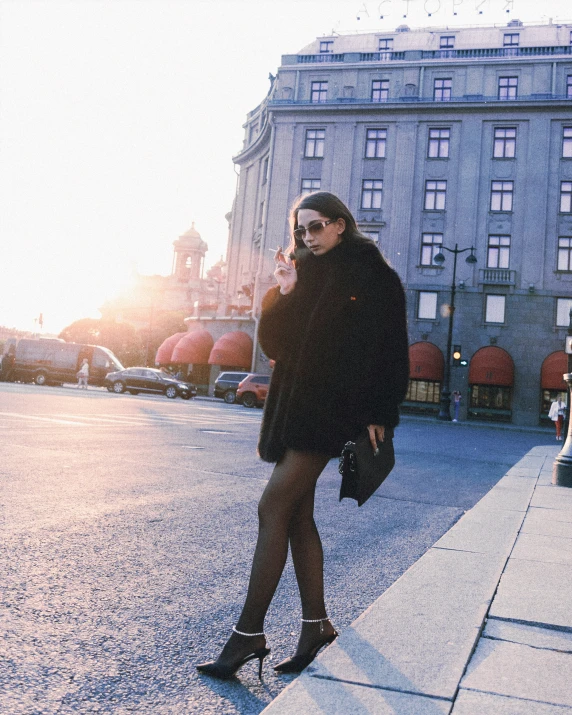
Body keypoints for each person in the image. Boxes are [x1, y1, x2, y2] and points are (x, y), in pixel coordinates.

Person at [196, 191, 409, 680]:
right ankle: (316, 627)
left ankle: (248, 635)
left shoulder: (374, 277)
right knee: (294, 516)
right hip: (296, 408)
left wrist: (381, 410)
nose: (307, 237)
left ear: (340, 224)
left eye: (316, 227)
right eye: (301, 230)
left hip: (333, 410)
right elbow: (275, 345)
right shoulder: (304, 272)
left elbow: (391, 350)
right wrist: (284, 292)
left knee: (272, 505)